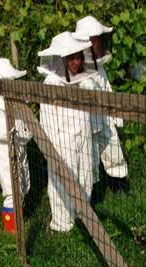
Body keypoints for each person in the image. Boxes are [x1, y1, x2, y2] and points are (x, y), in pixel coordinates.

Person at [38, 32, 100, 232]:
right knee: (62, 181)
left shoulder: (83, 80)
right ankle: (62, 224)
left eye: (79, 57)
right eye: (71, 58)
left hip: (82, 138)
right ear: (60, 60)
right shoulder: (51, 84)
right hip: (61, 143)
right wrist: (52, 150)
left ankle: (82, 216)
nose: (77, 62)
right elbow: (46, 121)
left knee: (84, 176)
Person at [73, 16, 128, 191]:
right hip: (87, 123)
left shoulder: (99, 66)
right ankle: (93, 193)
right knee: (90, 158)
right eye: (95, 41)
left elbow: (106, 88)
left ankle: (118, 185)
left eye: (99, 41)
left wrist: (116, 115)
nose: (99, 44)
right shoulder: (75, 67)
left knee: (114, 150)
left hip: (104, 117)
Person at [0, 58, 32, 234]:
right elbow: (3, 134)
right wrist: (21, 135)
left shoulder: (15, 104)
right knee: (12, 188)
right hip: (5, 152)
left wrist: (24, 135)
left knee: (23, 183)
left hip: (18, 148)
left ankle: (20, 218)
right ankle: (12, 230)